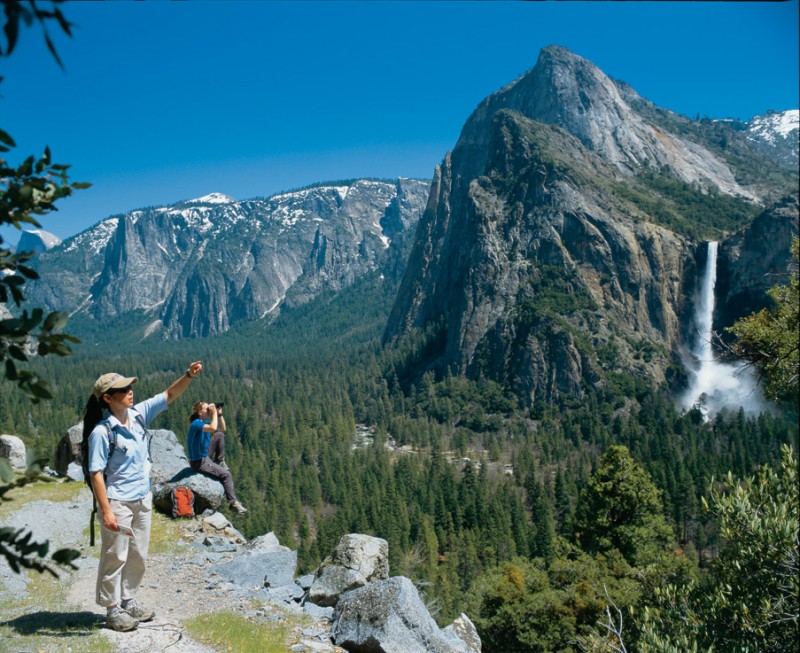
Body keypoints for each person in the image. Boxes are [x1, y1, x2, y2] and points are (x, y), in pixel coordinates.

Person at [83, 361, 202, 633]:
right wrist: (107, 511)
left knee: (138, 554)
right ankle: (112, 609)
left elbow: (168, 395)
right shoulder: (103, 432)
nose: (129, 391)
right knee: (115, 556)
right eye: (122, 389)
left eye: (129, 386)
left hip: (141, 499)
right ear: (107, 398)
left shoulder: (137, 415)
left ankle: (129, 599)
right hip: (118, 502)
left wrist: (188, 376)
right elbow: (96, 474)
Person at [187, 401, 247, 516]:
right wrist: (214, 412)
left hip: (204, 455)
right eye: (206, 409)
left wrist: (219, 414)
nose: (209, 410)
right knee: (226, 475)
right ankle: (233, 503)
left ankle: (220, 461)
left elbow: (222, 428)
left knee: (219, 435)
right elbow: (213, 427)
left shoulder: (203, 421)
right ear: (200, 412)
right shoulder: (196, 423)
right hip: (199, 462)